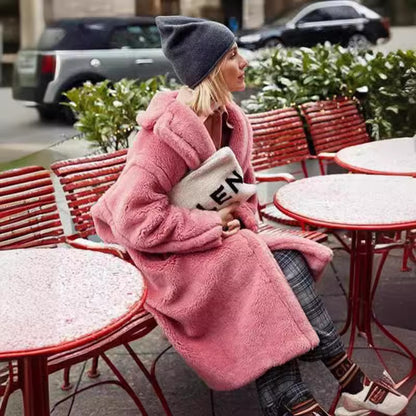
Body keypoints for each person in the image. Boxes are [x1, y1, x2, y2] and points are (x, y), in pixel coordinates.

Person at [91, 16, 408, 416]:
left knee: (282, 258)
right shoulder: (161, 140)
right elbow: (134, 221)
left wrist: (236, 220)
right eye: (232, 55)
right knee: (252, 262)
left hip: (222, 240)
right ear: (208, 70)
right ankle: (343, 381)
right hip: (167, 259)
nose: (244, 63)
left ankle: (307, 398)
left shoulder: (232, 120)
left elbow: (245, 190)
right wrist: (211, 225)